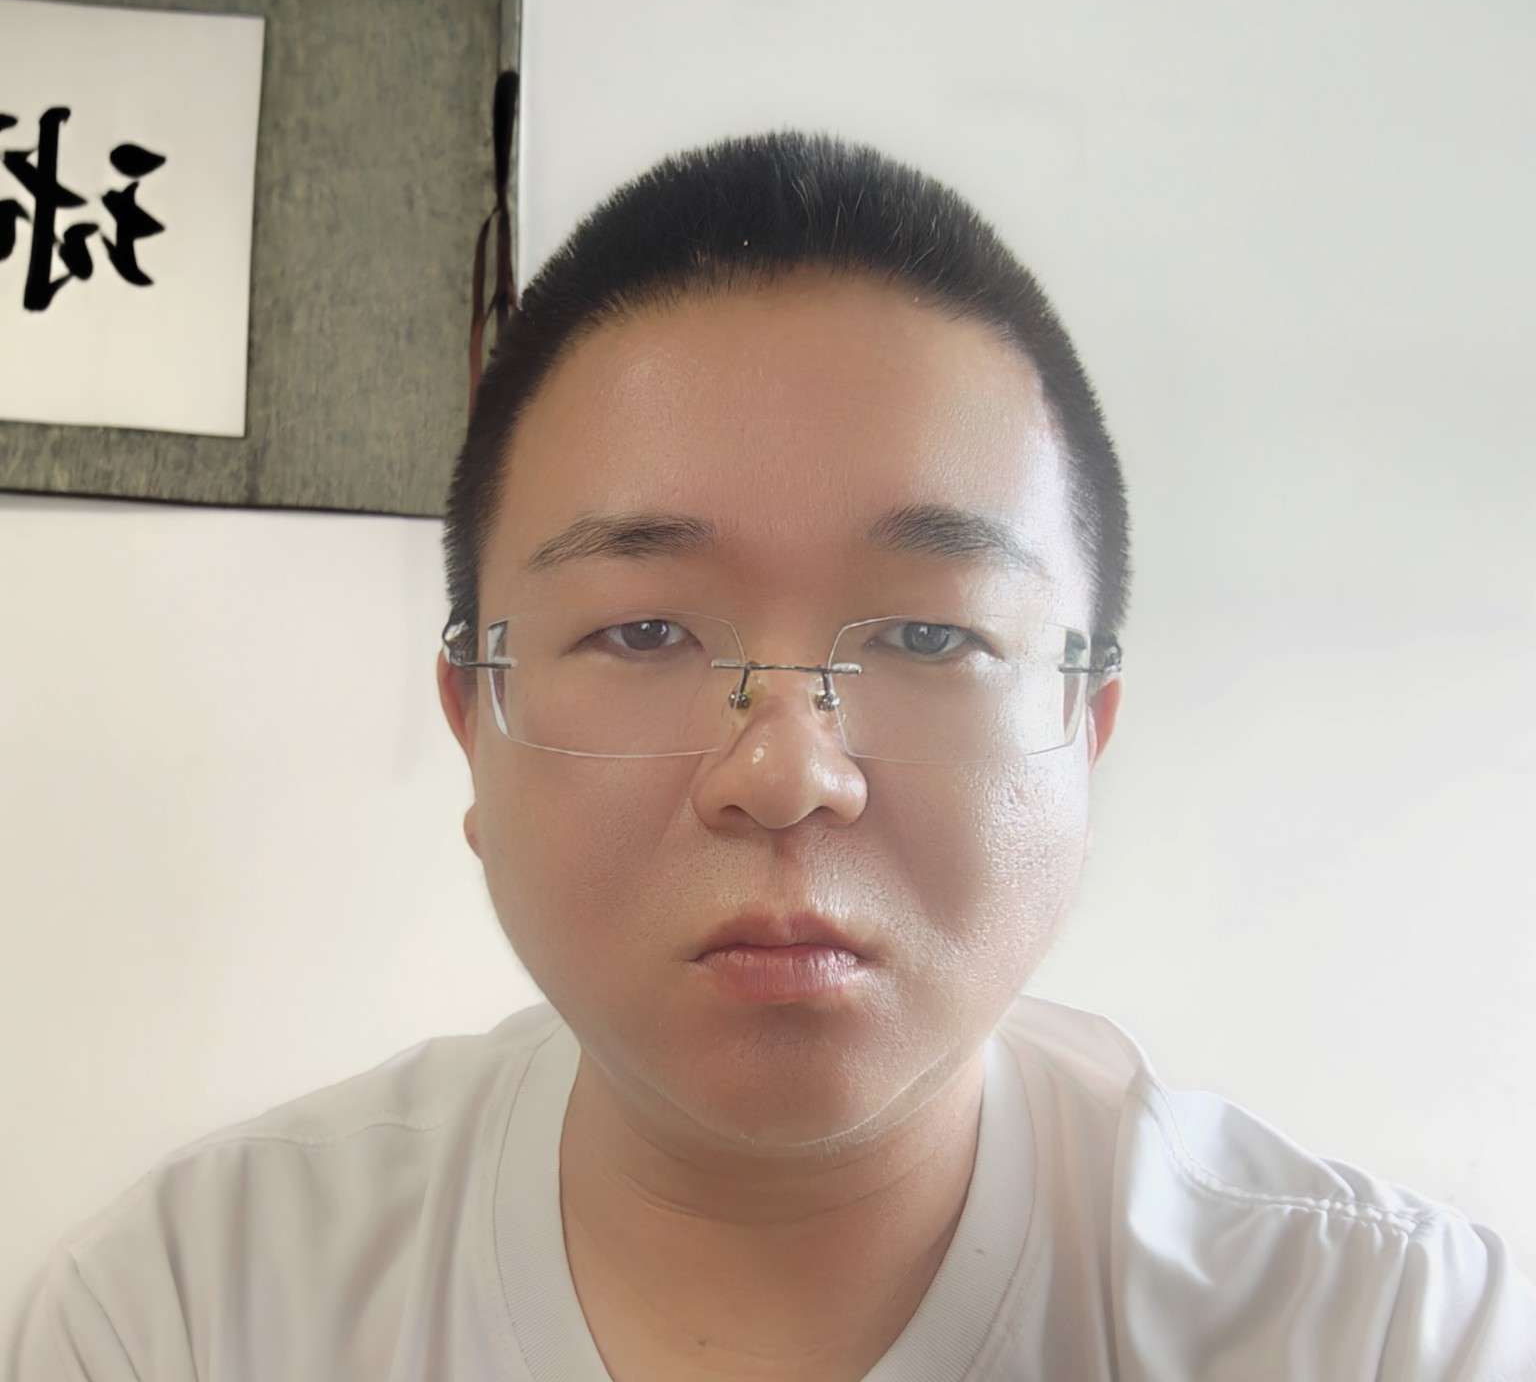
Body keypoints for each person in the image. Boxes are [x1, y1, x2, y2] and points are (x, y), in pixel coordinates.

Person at [14, 132, 1534, 1380]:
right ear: (474, 726)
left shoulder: (1384, 1338)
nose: (786, 774)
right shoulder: (195, 1317)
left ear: (1089, 730)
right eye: (644, 630)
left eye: (929, 635)